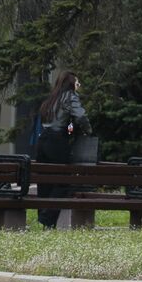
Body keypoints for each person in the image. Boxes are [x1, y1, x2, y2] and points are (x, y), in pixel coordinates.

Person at [34, 70, 90, 229]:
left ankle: (45, 221)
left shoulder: (51, 99)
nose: (79, 86)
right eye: (77, 83)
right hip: (57, 142)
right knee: (64, 181)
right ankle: (48, 217)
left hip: (43, 141)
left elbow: (59, 121)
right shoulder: (70, 96)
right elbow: (81, 117)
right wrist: (88, 130)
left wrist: (70, 128)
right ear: (71, 84)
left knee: (45, 181)